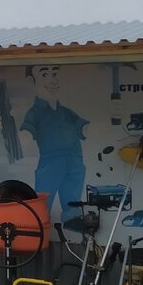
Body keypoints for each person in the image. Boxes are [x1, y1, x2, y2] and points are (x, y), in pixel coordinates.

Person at [20, 65, 88, 224]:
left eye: (55, 73)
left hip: (75, 163)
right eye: (44, 74)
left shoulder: (66, 112)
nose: (52, 79)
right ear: (31, 81)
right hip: (51, 163)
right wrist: (24, 139)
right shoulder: (35, 112)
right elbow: (27, 133)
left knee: (73, 202)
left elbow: (85, 129)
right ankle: (41, 228)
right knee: (43, 203)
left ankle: (72, 227)